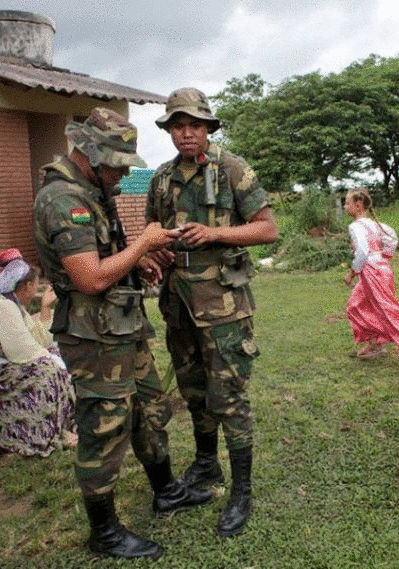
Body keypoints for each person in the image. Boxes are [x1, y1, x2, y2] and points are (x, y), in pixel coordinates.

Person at [33, 108, 211, 560]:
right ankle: (105, 532)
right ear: (88, 153)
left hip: (124, 327)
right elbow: (90, 278)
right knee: (105, 428)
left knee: (151, 409)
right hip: (93, 338)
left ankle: (166, 491)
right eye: (114, 163)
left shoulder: (94, 189)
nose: (119, 174)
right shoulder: (62, 199)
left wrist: (137, 262)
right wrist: (142, 246)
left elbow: (107, 258)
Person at [146, 87, 279, 538]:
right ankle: (207, 467)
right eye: (178, 126)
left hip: (223, 306)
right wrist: (156, 253)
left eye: (195, 126)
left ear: (207, 128)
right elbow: (152, 233)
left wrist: (216, 234)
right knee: (194, 390)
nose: (187, 133)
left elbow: (267, 229)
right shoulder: (161, 178)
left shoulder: (232, 168)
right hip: (178, 304)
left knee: (230, 398)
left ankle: (241, 491)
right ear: (169, 130)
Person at [0, 258, 76, 456]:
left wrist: (44, 309)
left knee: (62, 356)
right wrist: (52, 361)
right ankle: (45, 435)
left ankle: (65, 427)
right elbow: (22, 352)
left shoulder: (13, 304)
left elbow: (40, 342)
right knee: (47, 372)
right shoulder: (1, 306)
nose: (37, 291)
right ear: (26, 286)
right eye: (36, 285)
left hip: (6, 362)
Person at [343, 188, 399, 369]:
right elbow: (392, 240)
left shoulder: (356, 226)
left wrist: (352, 272)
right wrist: (383, 257)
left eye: (347, 203)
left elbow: (362, 251)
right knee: (356, 304)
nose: (345, 206)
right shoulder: (375, 224)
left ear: (358, 205)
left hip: (372, 271)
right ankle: (376, 343)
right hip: (379, 268)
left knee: (387, 310)